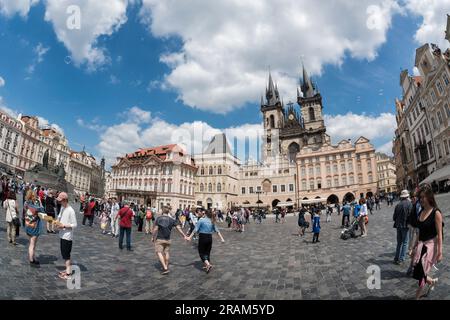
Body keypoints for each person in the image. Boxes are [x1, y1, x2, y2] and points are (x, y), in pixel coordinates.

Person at [412, 186, 444, 299]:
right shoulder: (421, 211)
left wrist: (440, 252)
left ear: (429, 197)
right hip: (421, 246)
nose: (420, 200)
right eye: (419, 197)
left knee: (421, 275)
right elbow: (419, 232)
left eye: (422, 197)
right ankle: (431, 282)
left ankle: (417, 298)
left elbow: (440, 234)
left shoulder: (436, 213)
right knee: (417, 272)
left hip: (430, 247)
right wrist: (413, 247)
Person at [152, 206, 187, 275]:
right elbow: (178, 228)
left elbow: (155, 229)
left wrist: (153, 237)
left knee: (159, 252)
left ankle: (165, 267)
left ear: (162, 211)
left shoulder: (159, 219)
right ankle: (166, 265)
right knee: (166, 252)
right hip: (168, 239)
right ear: (168, 212)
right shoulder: (172, 220)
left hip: (160, 238)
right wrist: (184, 235)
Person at [55, 192, 77, 280]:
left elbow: (74, 225)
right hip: (62, 234)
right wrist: (55, 222)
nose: (59, 202)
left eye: (60, 201)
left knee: (66, 255)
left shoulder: (71, 211)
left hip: (67, 236)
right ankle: (67, 269)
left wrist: (63, 226)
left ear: (64, 200)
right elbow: (59, 217)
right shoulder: (63, 208)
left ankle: (68, 274)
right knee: (64, 254)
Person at [24, 189, 44, 267]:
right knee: (32, 244)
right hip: (34, 226)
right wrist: (40, 201)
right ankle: (31, 260)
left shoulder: (26, 203)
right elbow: (42, 210)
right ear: (33, 196)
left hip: (28, 224)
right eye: (35, 195)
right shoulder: (35, 204)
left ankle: (33, 257)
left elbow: (24, 213)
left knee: (32, 244)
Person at [393, 190, 412, 265]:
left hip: (398, 226)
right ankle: (401, 259)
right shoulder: (409, 204)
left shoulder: (398, 205)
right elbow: (410, 216)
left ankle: (396, 258)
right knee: (405, 242)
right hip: (405, 226)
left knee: (399, 243)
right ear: (407, 196)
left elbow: (394, 217)